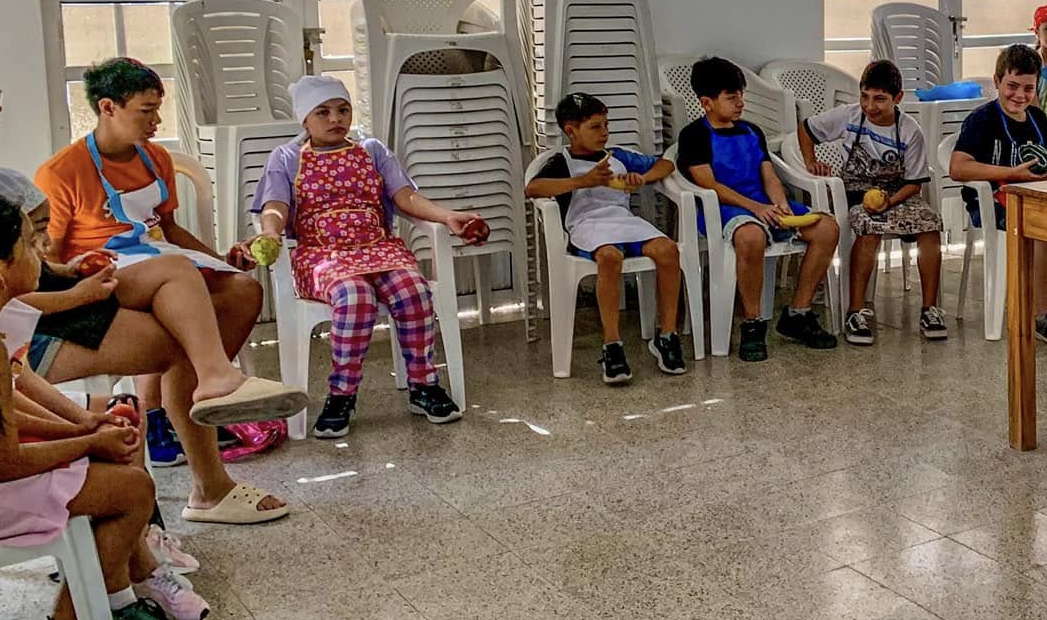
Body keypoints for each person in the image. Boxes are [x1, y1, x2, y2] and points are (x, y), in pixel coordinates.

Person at [34, 58, 300, 526]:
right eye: (146, 111)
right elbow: (46, 263)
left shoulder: (154, 157)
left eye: (158, 111)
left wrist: (219, 259)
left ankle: (203, 405)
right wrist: (82, 279)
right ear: (108, 107)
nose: (156, 122)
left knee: (240, 290)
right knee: (177, 275)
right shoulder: (62, 172)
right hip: (101, 277)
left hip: (156, 262)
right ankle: (216, 380)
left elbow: (168, 229)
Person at [0, 196, 195, 620]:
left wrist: (83, 425)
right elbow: (2, 462)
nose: (42, 251)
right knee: (131, 489)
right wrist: (87, 441)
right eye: (31, 243)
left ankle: (115, 607)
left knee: (115, 460)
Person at [245, 76, 484, 434]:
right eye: (322, 112)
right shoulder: (287, 158)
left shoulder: (372, 150)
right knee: (355, 298)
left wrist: (447, 216)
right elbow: (275, 205)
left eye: (342, 110)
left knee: (413, 291)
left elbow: (406, 198)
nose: (334, 119)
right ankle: (342, 394)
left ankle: (424, 384)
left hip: (379, 248)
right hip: (322, 254)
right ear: (304, 120)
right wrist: (270, 231)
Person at [677, 56, 839, 362]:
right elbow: (710, 185)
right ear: (707, 102)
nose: (740, 103)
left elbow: (768, 175)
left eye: (740, 95)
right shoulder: (694, 136)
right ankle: (752, 322)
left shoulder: (752, 131)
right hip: (724, 208)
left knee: (827, 228)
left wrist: (778, 203)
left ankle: (798, 313)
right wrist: (756, 208)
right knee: (751, 237)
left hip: (763, 202)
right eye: (731, 97)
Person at [526, 92, 686, 384]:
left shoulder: (617, 157)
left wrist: (644, 178)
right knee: (610, 257)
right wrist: (582, 182)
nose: (604, 133)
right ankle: (612, 344)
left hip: (624, 222)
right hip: (587, 226)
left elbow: (666, 165)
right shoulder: (561, 162)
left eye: (606, 125)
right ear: (571, 130)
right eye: (595, 127)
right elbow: (534, 189)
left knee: (668, 250)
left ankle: (667, 335)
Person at [798, 59, 947, 346]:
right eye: (865, 96)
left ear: (897, 98)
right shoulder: (849, 116)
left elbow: (915, 182)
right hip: (855, 191)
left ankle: (930, 309)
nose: (870, 106)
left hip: (898, 193)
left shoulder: (910, 131)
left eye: (879, 99)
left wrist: (889, 201)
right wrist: (810, 161)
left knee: (931, 226)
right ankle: (856, 311)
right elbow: (806, 129)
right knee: (869, 230)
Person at [949, 44, 1047, 349]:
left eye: (1028, 88)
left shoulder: (1037, 119)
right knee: (1043, 231)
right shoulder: (981, 119)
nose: (1020, 95)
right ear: (997, 82)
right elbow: (958, 167)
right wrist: (1012, 174)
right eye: (1012, 86)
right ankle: (1042, 313)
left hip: (1030, 197)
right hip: (990, 201)